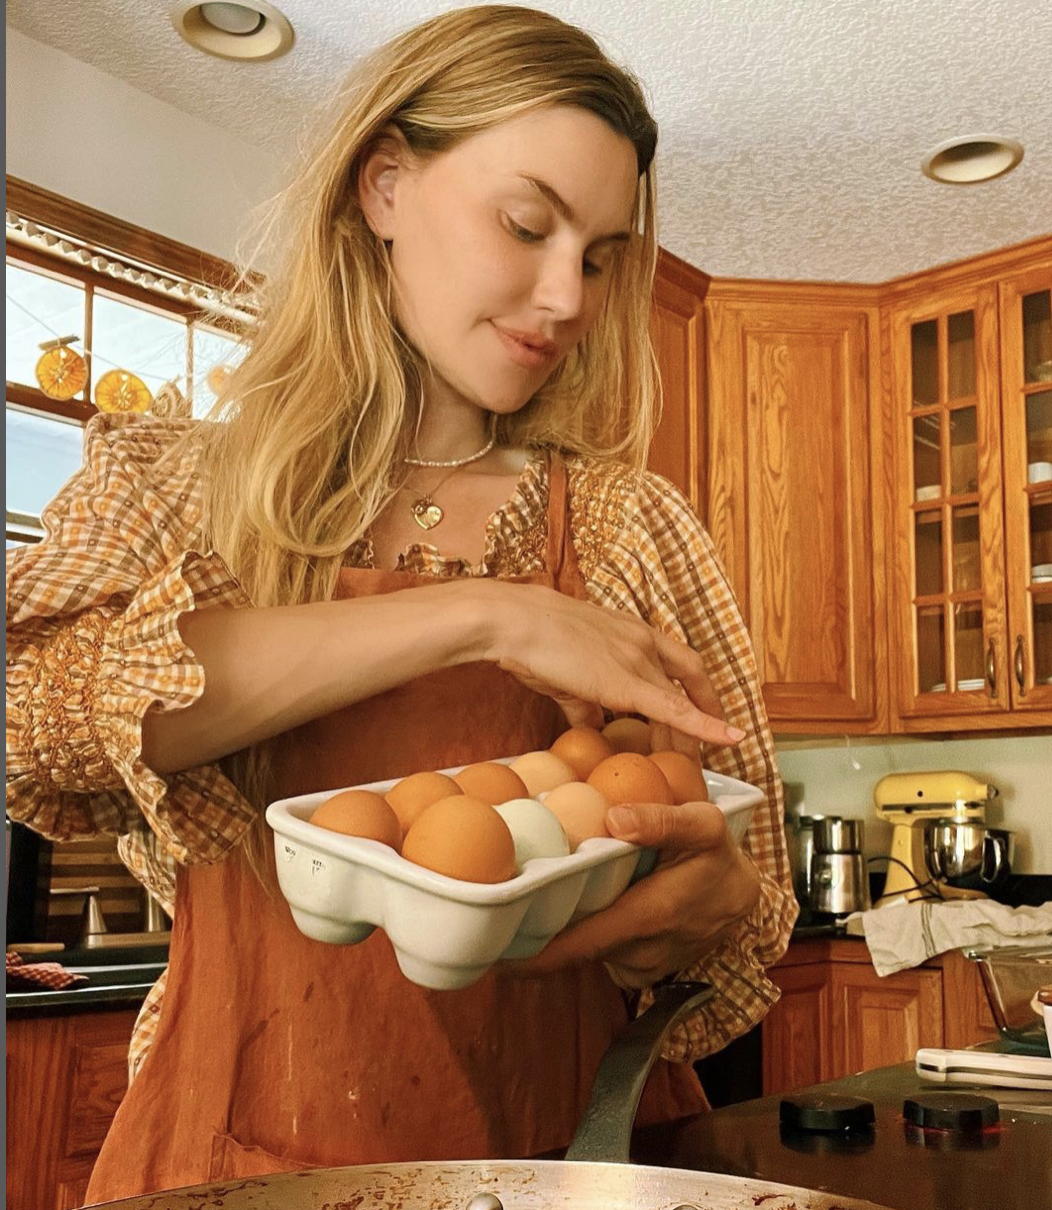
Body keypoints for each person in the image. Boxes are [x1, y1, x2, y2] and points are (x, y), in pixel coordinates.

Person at [6, 4, 796, 1200]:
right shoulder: (175, 488)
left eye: (595, 254)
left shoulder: (635, 527)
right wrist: (484, 616)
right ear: (384, 186)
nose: (566, 295)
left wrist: (714, 905)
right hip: (238, 1164)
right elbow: (33, 715)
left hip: (576, 1163)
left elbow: (757, 897)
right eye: (525, 224)